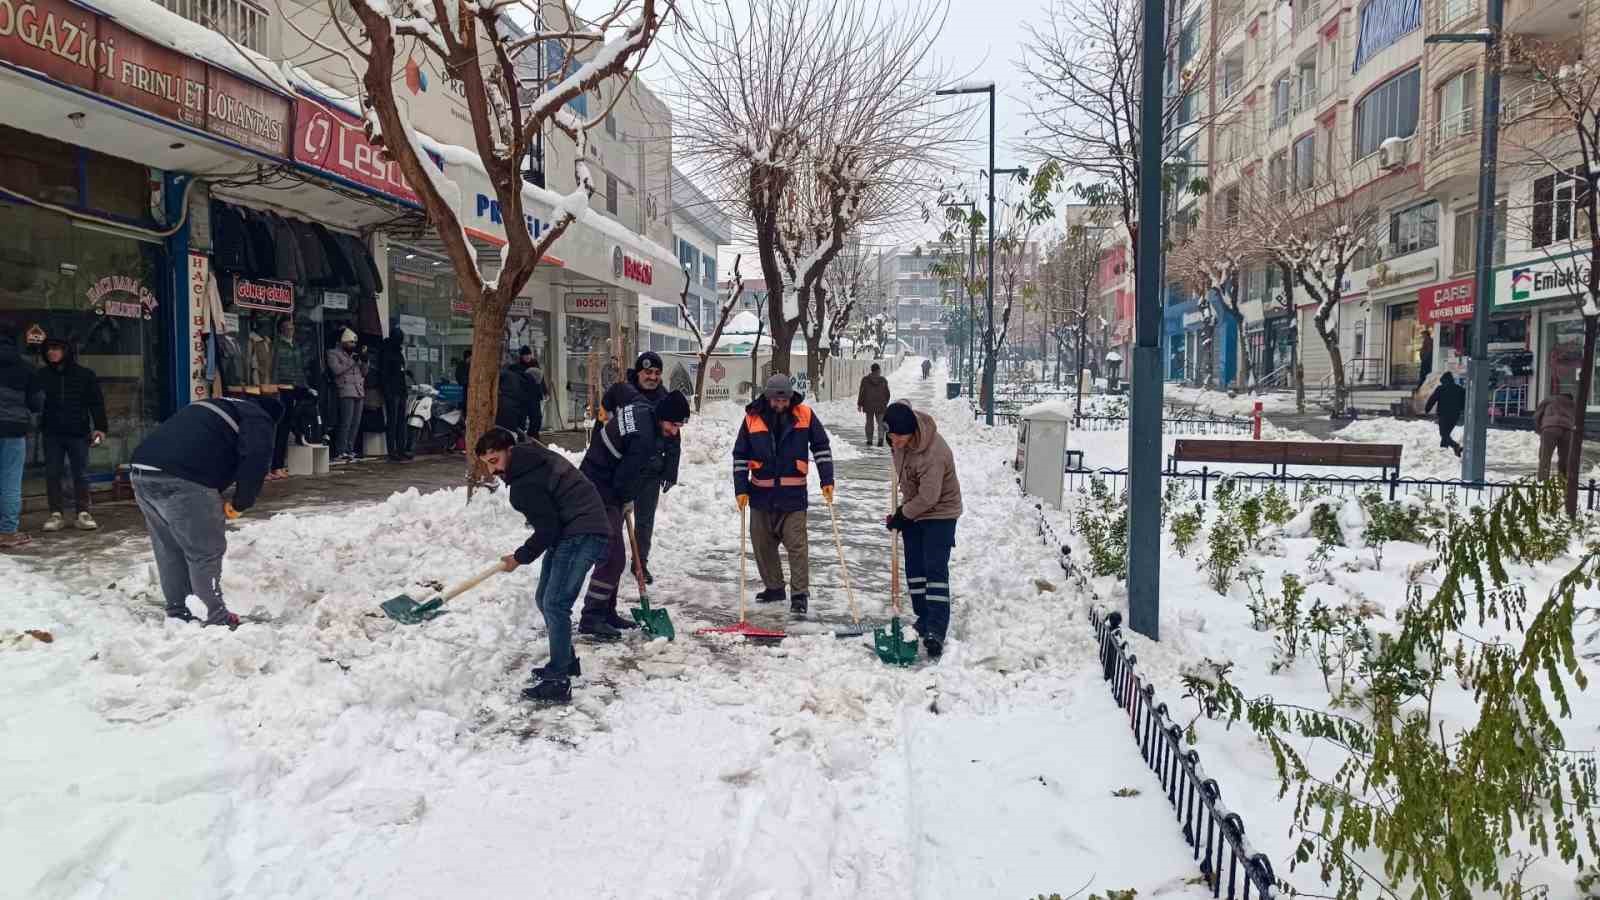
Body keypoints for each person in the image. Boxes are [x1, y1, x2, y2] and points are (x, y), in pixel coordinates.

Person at [476, 428, 611, 705]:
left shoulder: (525, 484)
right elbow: (551, 524)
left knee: (555, 604)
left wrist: (520, 557)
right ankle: (567, 662)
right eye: (487, 463)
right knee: (544, 598)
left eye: (494, 460)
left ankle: (558, 680)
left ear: (509, 451)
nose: (493, 471)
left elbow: (547, 529)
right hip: (572, 529)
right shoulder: (531, 458)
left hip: (582, 531)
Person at [129, 397, 274, 628]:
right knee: (205, 551)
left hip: (141, 471)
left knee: (169, 547)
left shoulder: (211, 406)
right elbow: (255, 461)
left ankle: (179, 611)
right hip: (184, 478)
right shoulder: (258, 417)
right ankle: (215, 616)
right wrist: (240, 503)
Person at [578, 388, 690, 638]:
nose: (675, 431)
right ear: (663, 417)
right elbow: (624, 479)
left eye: (679, 426)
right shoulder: (644, 439)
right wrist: (626, 500)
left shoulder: (643, 409)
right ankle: (592, 617)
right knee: (613, 556)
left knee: (613, 555)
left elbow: (621, 391)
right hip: (598, 488)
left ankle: (607, 612)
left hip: (601, 478)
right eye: (673, 425)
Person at [732, 374, 835, 617]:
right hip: (761, 494)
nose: (780, 405)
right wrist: (741, 489)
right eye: (776, 401)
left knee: (797, 546)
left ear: (790, 397)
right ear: (767, 397)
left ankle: (799, 595)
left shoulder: (805, 415)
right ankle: (775, 587)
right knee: (762, 544)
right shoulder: (752, 418)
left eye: (785, 400)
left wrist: (827, 480)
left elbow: (821, 446)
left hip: (793, 495)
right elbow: (740, 456)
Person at [883, 401, 963, 660]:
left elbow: (930, 496)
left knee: (934, 569)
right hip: (915, 508)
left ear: (912, 433)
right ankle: (924, 617)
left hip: (941, 512)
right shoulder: (897, 440)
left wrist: (902, 515)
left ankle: (936, 629)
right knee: (915, 569)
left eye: (898, 437)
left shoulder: (934, 453)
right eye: (891, 435)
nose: (893, 441)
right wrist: (903, 513)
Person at [594, 352, 680, 584]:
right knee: (614, 518)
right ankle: (606, 560)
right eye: (648, 372)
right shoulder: (622, 394)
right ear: (638, 372)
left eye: (657, 373)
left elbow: (674, 438)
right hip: (619, 470)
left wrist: (670, 471)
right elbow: (602, 426)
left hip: (650, 471)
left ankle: (640, 563)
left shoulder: (665, 399)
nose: (652, 377)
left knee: (644, 520)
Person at [32, 338, 107, 532]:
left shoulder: (85, 375)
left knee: (80, 473)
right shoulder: (41, 375)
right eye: (48, 349)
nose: (51, 352)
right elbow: (33, 403)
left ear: (66, 351)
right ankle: (55, 514)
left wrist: (100, 428)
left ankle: (83, 512)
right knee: (53, 473)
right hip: (52, 433)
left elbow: (96, 403)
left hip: (78, 432)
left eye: (55, 349)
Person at [0, 330, 41, 549]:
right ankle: (7, 532)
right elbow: (36, 403)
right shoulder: (26, 367)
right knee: (10, 481)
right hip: (14, 429)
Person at [326, 329, 367, 462]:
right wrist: (352, 361)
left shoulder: (354, 354)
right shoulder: (333, 353)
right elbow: (336, 370)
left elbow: (364, 373)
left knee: (355, 423)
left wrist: (365, 361)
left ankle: (349, 449)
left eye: (354, 343)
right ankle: (340, 450)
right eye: (350, 342)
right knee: (346, 422)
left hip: (359, 390)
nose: (353, 345)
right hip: (345, 390)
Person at [378, 328, 412, 461]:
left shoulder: (398, 351)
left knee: (401, 421)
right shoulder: (386, 351)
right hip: (392, 391)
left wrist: (406, 373)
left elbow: (400, 369)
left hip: (401, 389)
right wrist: (386, 391)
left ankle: (401, 449)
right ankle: (392, 451)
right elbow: (384, 373)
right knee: (393, 421)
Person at [1534, 391, 1576, 482]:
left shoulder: (1549, 399)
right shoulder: (1572, 404)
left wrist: (1539, 430)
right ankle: (1563, 481)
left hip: (1550, 428)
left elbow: (1537, 415)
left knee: (1545, 457)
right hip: (1567, 430)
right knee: (1564, 458)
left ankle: (1542, 482)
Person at [1425, 370, 1466, 458]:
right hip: (1455, 415)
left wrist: (1427, 409)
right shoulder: (1460, 389)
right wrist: (1461, 409)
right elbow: (1464, 402)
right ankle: (1444, 450)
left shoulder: (1440, 388)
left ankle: (1455, 446)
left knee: (1444, 434)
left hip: (1443, 414)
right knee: (1446, 433)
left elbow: (1432, 399)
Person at [496, 355, 533, 437]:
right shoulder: (523, 378)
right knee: (514, 435)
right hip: (516, 410)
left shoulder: (504, 374)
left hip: (504, 408)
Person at [857, 363, 891, 448]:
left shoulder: (865, 380)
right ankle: (880, 439)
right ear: (878, 370)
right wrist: (885, 402)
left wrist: (860, 404)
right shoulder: (883, 380)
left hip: (868, 405)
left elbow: (861, 393)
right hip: (881, 405)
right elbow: (887, 393)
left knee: (869, 423)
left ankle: (869, 440)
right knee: (880, 423)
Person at [516, 346, 547, 437]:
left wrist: (545, 391)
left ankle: (533, 436)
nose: (527, 356)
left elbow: (541, 379)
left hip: (535, 396)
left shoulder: (535, 363)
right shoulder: (518, 366)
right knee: (521, 419)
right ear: (521, 356)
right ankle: (521, 438)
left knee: (537, 418)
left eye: (529, 354)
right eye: (525, 355)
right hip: (523, 397)